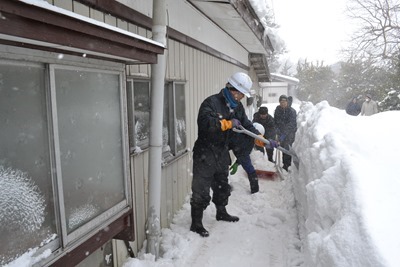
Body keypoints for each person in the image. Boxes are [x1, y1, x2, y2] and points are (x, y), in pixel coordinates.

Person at [190, 72, 265, 237]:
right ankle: (196, 223)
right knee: (200, 188)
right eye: (239, 94)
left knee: (222, 185)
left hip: (222, 150)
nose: (240, 98)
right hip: (205, 151)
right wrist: (227, 123)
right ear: (232, 89)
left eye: (242, 95)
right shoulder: (211, 103)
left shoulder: (237, 107)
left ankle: (221, 211)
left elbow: (246, 124)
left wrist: (258, 137)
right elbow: (206, 124)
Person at [228, 123, 278, 194]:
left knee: (249, 170)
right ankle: (255, 191)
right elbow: (242, 153)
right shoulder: (242, 137)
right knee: (250, 170)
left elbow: (243, 153)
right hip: (222, 147)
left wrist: (237, 163)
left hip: (227, 148)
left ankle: (255, 191)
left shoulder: (246, 137)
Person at [274, 95, 297, 171]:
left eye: (284, 102)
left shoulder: (292, 111)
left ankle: (288, 165)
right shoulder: (278, 110)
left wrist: (285, 133)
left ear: (287, 102)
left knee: (287, 147)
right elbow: (276, 121)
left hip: (290, 132)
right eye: (281, 102)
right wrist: (277, 129)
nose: (282, 103)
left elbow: (291, 124)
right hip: (281, 132)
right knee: (283, 148)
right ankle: (284, 164)